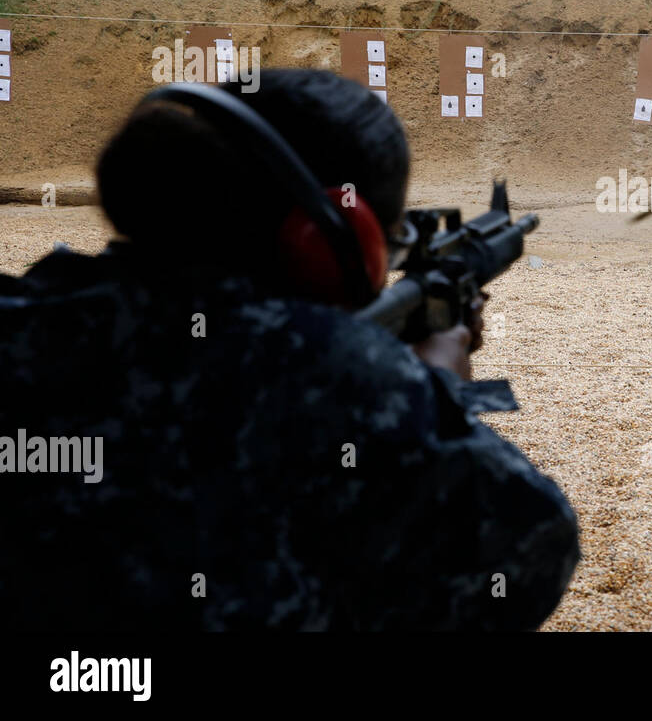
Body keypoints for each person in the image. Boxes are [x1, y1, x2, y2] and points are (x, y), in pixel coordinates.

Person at [0, 69, 580, 630]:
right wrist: (438, 388)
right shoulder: (345, 380)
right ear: (330, 240)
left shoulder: (30, 313)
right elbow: (531, 549)